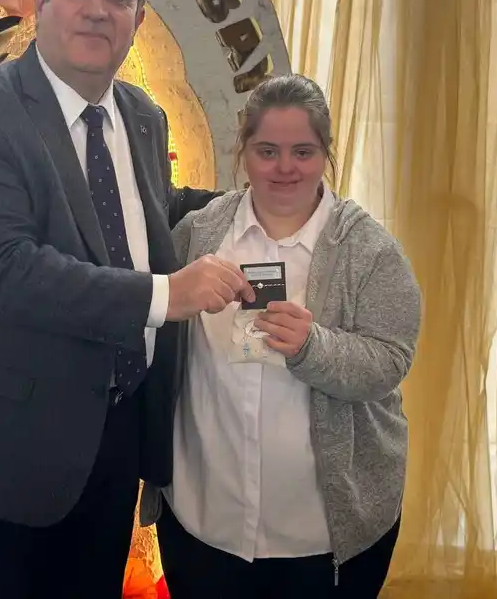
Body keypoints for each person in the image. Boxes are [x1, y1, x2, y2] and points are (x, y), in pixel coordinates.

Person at [0, 0, 254, 598]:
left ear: (136, 20)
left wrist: (263, 203)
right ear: (41, 0)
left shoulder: (141, 114)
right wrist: (168, 294)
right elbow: (2, 272)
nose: (96, 8)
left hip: (106, 451)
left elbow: (150, 210)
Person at [140, 74, 423, 598]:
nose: (285, 167)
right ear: (243, 151)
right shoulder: (197, 236)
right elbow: (150, 331)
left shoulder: (370, 251)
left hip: (321, 538)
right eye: (267, 151)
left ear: (325, 154)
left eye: (303, 152)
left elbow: (390, 361)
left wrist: (315, 347)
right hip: (203, 522)